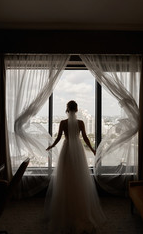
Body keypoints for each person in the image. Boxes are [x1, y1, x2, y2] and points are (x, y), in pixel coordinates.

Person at [44, 100, 106, 233]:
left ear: (67, 109)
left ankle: (64, 209)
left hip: (66, 149)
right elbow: (85, 137)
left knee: (65, 177)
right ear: (76, 109)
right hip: (78, 149)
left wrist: (51, 146)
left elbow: (58, 138)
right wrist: (92, 149)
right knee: (79, 176)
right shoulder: (81, 123)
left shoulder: (63, 123)